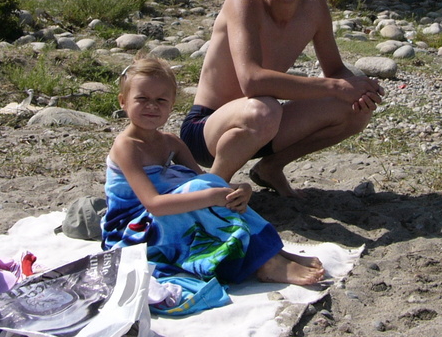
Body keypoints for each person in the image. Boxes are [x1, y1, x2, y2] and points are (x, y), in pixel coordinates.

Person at [180, 0, 384, 198]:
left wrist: (359, 88)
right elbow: (252, 81)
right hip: (206, 130)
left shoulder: (315, 6)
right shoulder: (244, 0)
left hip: (264, 127)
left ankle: (271, 168)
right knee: (265, 109)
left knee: (356, 107)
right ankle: (212, 189)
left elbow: (335, 71)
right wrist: (335, 87)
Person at [101, 56, 325, 288]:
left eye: (160, 100)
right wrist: (214, 194)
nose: (152, 106)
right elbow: (154, 203)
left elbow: (207, 181)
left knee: (212, 186)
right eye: (142, 98)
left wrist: (238, 190)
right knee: (205, 190)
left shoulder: (171, 143)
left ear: (172, 104)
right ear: (123, 102)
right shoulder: (127, 146)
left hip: (164, 216)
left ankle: (272, 251)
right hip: (134, 230)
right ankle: (266, 262)